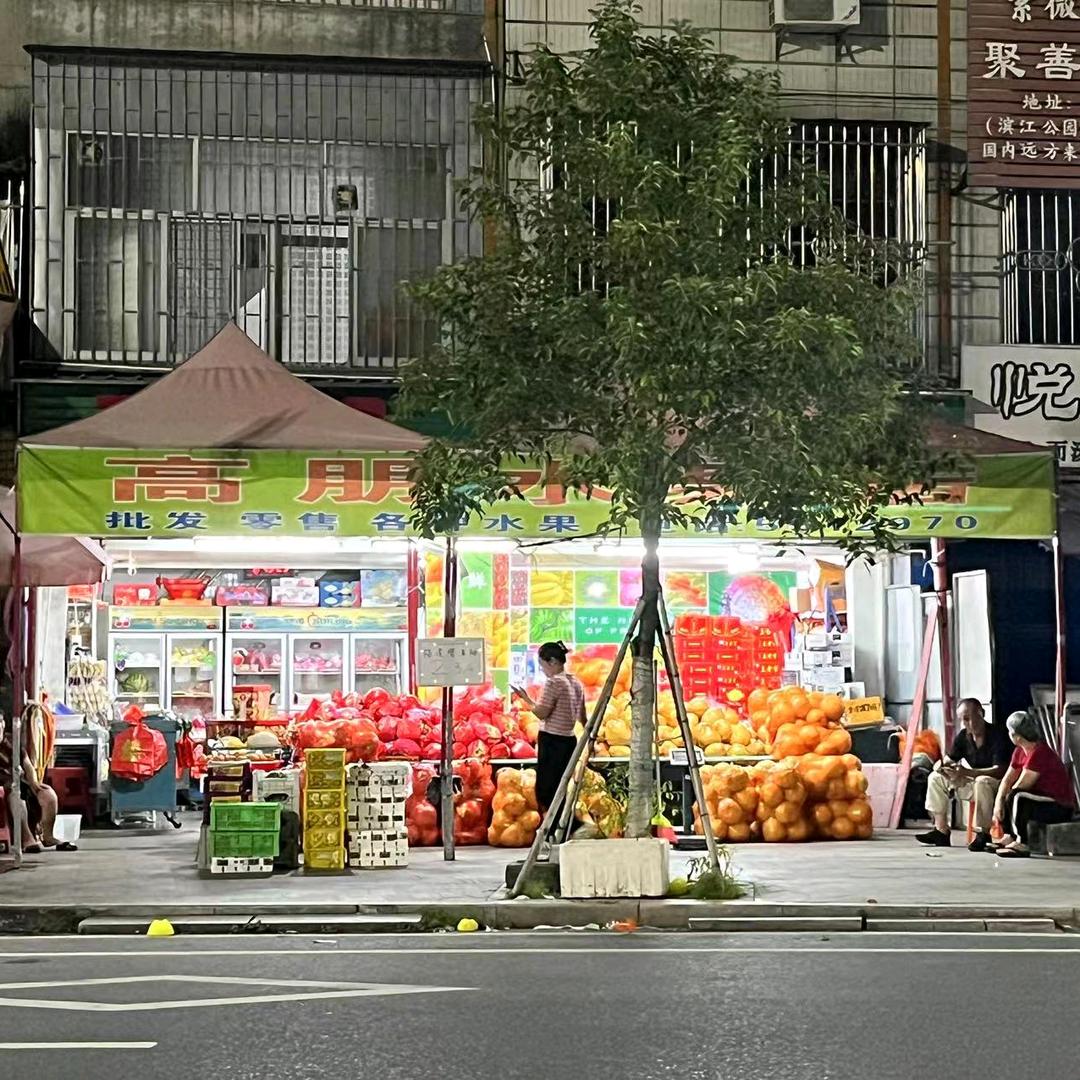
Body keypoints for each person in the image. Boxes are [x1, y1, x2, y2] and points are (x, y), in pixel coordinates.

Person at [916, 698, 1011, 851]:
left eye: (968, 718)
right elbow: (949, 759)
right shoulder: (963, 736)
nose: (966, 724)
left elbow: (1000, 770)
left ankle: (983, 834)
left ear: (981, 714)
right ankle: (941, 830)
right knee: (935, 778)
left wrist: (968, 772)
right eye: (962, 720)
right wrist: (943, 767)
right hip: (972, 782)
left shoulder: (997, 735)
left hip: (995, 785)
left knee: (982, 781)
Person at [511, 640, 586, 818]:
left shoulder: (554, 683)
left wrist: (526, 699)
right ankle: (561, 824)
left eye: (543, 665)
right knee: (561, 785)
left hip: (552, 740)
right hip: (569, 740)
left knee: (546, 789)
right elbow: (582, 715)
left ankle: (552, 827)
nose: (543, 670)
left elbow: (542, 713)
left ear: (552, 662)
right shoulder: (575, 682)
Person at [990, 710, 1076, 858]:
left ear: (1016, 736)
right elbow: (1007, 780)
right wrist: (998, 801)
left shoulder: (1040, 752)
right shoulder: (1019, 751)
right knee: (1010, 793)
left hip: (1059, 806)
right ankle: (1009, 835)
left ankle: (1022, 842)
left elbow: (1023, 784)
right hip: (1041, 799)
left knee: (1018, 795)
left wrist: (1006, 798)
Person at [0, 708, 76, 853]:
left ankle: (48, 836)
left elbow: (27, 764)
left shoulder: (11, 741)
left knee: (48, 795)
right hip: (4, 788)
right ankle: (28, 839)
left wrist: (35, 784)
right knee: (18, 799)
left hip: (18, 781)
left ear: (3, 724)